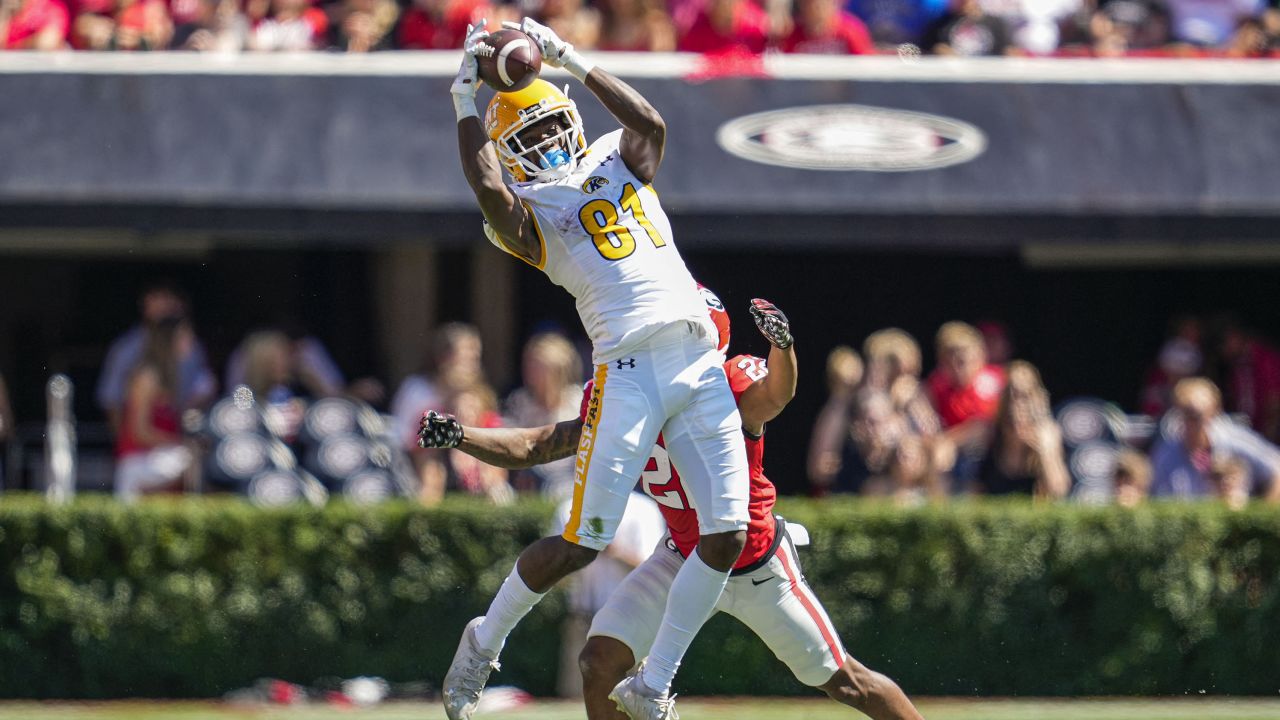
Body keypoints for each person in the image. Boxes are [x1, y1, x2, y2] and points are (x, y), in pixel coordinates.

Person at [446, 18, 754, 720]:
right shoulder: (530, 213)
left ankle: (654, 685)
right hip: (631, 365)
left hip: (698, 355)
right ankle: (483, 642)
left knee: (728, 533)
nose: (549, 144)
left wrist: (570, 60)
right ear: (510, 153)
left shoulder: (619, 155)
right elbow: (491, 190)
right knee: (584, 539)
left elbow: (652, 121)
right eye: (527, 140)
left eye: (553, 128)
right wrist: (467, 103)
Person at [420, 294, 925, 720]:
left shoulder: (726, 384)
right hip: (681, 556)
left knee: (845, 681)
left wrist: (782, 346)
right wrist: (466, 437)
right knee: (598, 661)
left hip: (754, 563)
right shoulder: (622, 391)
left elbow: (776, 393)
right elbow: (545, 443)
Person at [97, 282, 217, 433]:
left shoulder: (194, 347)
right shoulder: (131, 354)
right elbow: (113, 401)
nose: (164, 308)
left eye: (168, 301)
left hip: (176, 433)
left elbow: (199, 393)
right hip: (149, 447)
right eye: (157, 300)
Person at [1149, 377, 1280, 501]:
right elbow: (1153, 495)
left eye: (1199, 414)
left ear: (1214, 411)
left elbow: (1277, 467)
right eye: (1187, 412)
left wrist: (1263, 516)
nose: (1194, 421)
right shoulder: (1165, 451)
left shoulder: (1235, 441)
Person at [114, 317, 195, 502]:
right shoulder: (147, 377)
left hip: (159, 457)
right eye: (185, 336)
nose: (190, 341)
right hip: (138, 463)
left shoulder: (171, 377)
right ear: (169, 340)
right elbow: (139, 431)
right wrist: (181, 443)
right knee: (192, 460)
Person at [504, 332, 586, 500]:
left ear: (558, 371)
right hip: (530, 485)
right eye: (529, 366)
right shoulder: (518, 403)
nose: (530, 373)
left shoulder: (579, 402)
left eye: (539, 368)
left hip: (571, 484)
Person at [972, 361, 1071, 499]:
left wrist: (1045, 452)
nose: (1016, 403)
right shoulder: (989, 433)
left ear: (1038, 398)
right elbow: (973, 495)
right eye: (1010, 394)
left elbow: (1058, 492)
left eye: (1024, 395)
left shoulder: (1048, 434)